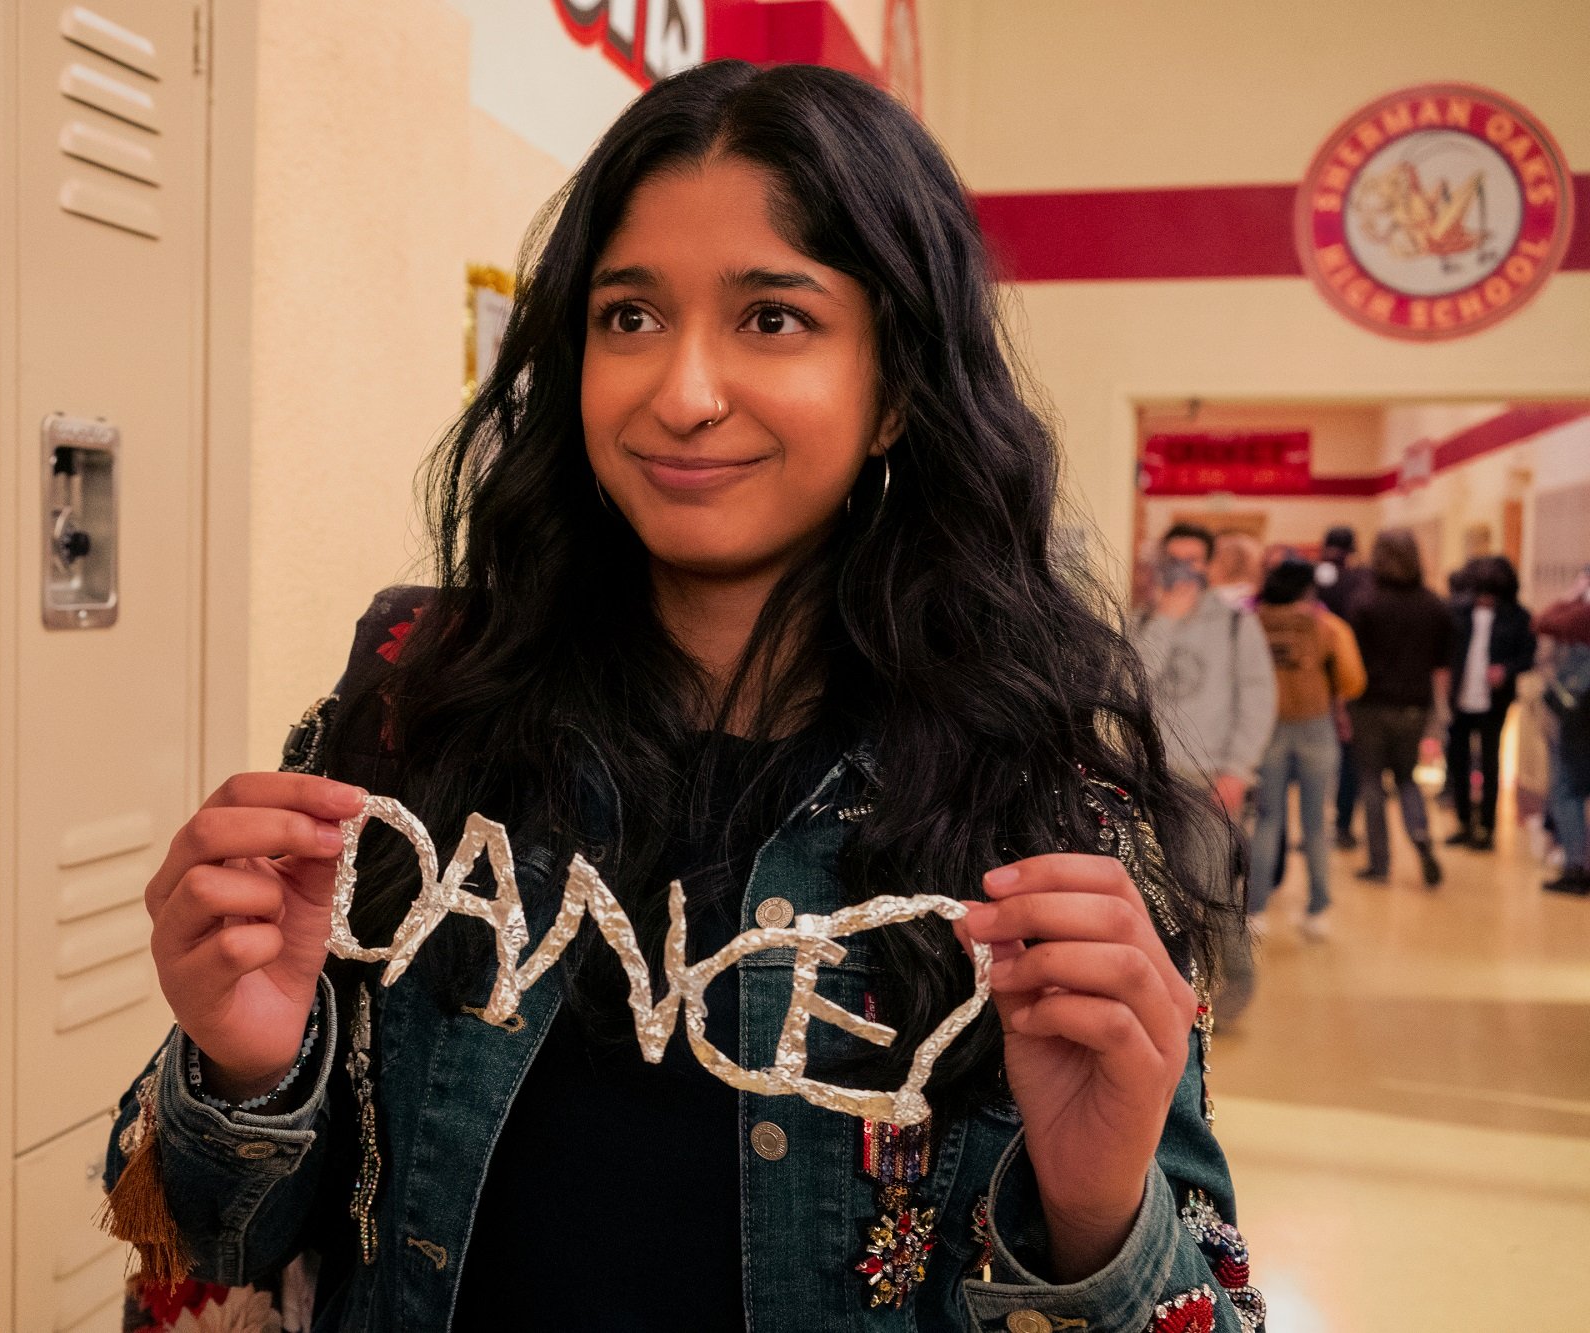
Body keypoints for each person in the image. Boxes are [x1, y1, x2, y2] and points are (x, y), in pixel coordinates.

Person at [98, 63, 1264, 1333]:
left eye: (772, 318)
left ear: (896, 390)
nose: (682, 393)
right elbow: (219, 1235)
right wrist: (248, 1069)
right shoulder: (413, 708)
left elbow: (1208, 1300)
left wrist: (1095, 1215)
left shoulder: (1046, 808)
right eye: (629, 316)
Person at [1246, 559, 1366, 941]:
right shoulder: (1327, 627)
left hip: (1267, 728)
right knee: (1316, 823)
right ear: (1308, 590)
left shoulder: (1252, 624)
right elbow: (1353, 680)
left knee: (1267, 820)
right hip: (1315, 727)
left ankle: (1255, 910)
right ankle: (1317, 911)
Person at [1130, 524, 1280, 819]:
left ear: (1209, 566)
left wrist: (1237, 770)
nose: (1182, 569)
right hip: (1149, 774)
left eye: (1192, 560)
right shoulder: (1140, 622)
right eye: (1173, 560)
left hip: (1212, 776)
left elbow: (1258, 699)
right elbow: (1130, 689)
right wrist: (1164, 622)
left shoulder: (1237, 624)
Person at [1347, 530, 1456, 887]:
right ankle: (1420, 834)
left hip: (1369, 703)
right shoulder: (1434, 605)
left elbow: (1352, 662)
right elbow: (1442, 664)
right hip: (1415, 704)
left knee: (1371, 780)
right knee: (1408, 777)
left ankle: (1379, 863)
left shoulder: (1364, 604)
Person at [1444, 556, 1537, 850]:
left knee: (1489, 761)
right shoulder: (1458, 612)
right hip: (1460, 697)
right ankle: (1463, 821)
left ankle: (1486, 826)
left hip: (1494, 700)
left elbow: (1527, 656)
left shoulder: (1517, 617)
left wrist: (1506, 670)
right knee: (1457, 760)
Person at [1534, 570, 1590, 895]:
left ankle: (1576, 868)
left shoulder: (1582, 616)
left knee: (1566, 788)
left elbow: (1544, 622)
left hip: (1579, 719)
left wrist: (1570, 597)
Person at [1317, 526, 1373, 850]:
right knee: (1350, 756)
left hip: (1319, 679)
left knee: (1320, 756)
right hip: (1351, 676)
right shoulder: (1363, 581)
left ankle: (1317, 826)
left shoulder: (1318, 579)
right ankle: (1343, 823)